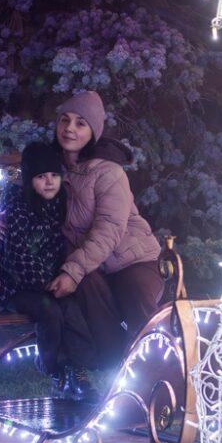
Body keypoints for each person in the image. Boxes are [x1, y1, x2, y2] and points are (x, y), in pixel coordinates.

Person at [0, 142, 116, 402]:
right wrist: (47, 284)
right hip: (11, 285)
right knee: (50, 309)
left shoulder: (58, 204)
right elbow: (18, 258)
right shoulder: (17, 208)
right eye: (41, 177)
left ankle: (80, 371)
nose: (49, 182)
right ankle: (53, 369)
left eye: (54, 175)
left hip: (44, 283)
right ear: (29, 179)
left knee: (71, 306)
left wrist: (59, 280)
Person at [46, 91, 164, 339]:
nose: (69, 129)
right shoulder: (51, 170)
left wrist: (73, 270)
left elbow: (108, 228)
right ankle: (114, 361)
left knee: (136, 299)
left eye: (81, 123)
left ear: (93, 132)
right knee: (82, 287)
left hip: (132, 260)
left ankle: (162, 357)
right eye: (64, 120)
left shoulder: (108, 172)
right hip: (92, 264)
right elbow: (27, 204)